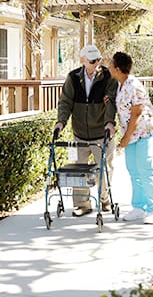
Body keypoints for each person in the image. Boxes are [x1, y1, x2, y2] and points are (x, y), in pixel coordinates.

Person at [54, 45, 117, 217]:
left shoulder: (108, 76)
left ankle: (104, 199)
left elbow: (111, 101)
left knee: (104, 169)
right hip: (79, 132)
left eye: (98, 60)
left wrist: (109, 123)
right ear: (82, 60)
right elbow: (65, 101)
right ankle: (82, 204)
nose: (97, 63)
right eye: (92, 61)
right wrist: (61, 121)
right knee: (78, 170)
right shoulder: (73, 77)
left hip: (102, 133)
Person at [109, 51, 153, 225]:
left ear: (117, 69)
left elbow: (137, 113)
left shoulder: (134, 85)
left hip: (143, 133)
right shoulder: (120, 84)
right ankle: (139, 207)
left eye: (111, 65)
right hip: (131, 134)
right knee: (134, 171)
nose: (108, 67)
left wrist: (125, 137)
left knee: (146, 170)